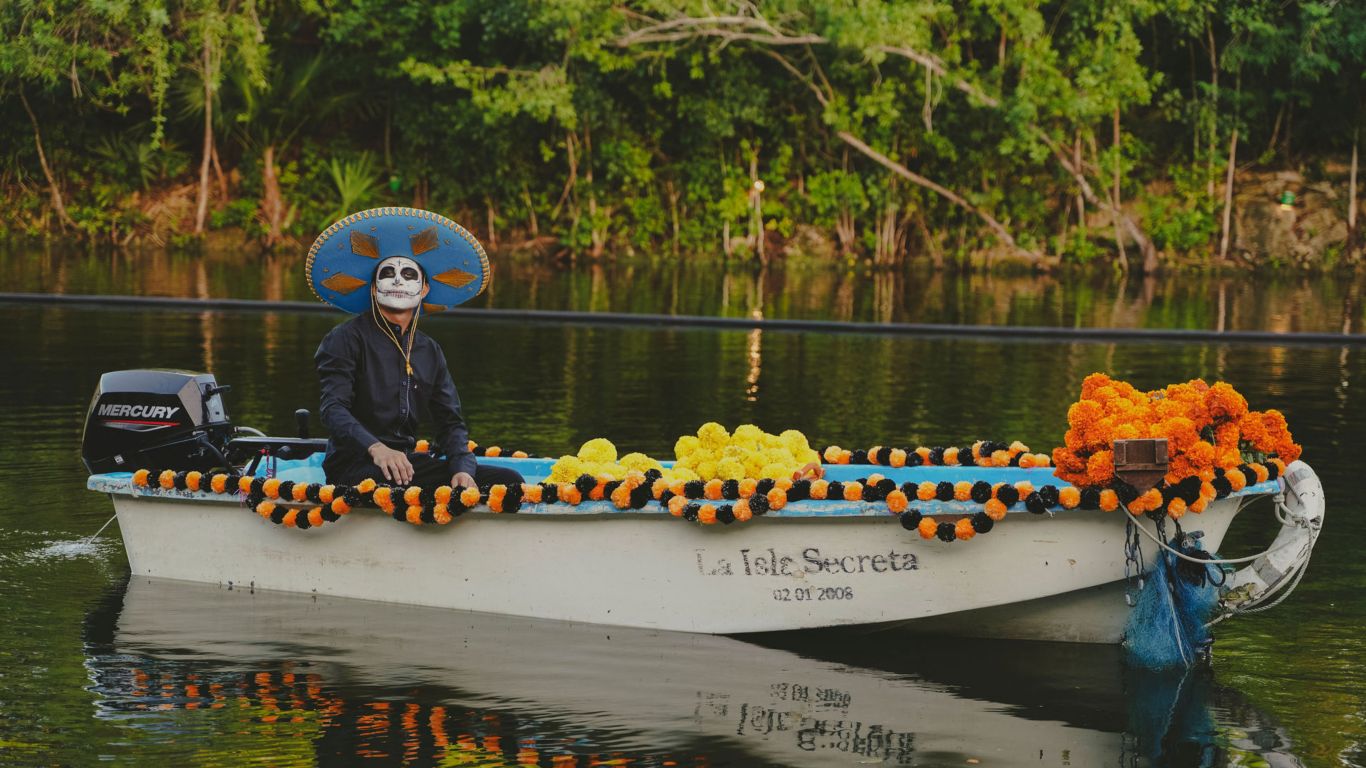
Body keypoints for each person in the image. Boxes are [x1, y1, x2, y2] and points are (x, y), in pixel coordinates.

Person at [307, 208, 523, 491]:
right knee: (398, 479)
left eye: (409, 274)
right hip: (356, 465)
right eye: (388, 273)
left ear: (424, 289)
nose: (398, 281)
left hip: (407, 465)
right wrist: (377, 448)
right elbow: (333, 410)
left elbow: (450, 422)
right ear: (373, 288)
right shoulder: (345, 338)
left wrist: (462, 469)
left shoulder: (429, 350)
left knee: (508, 481)